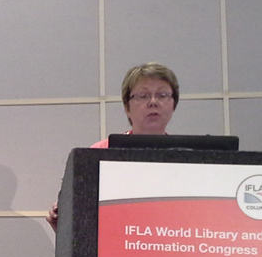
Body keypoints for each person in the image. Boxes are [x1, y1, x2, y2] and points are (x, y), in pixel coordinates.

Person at [46, 62, 179, 229]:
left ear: (174, 104)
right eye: (143, 96)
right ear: (126, 107)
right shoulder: (99, 153)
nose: (153, 102)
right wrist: (63, 221)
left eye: (162, 95)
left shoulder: (190, 159)